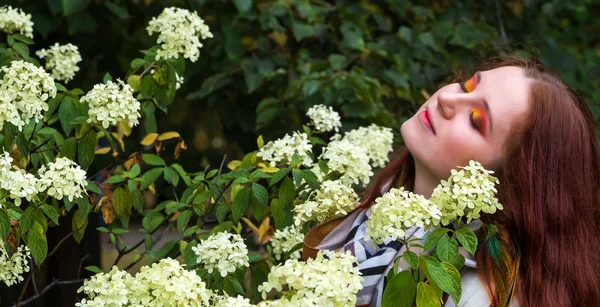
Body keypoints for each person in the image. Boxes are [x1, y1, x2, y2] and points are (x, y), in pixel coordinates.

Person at [303, 55, 600, 307]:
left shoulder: (476, 294)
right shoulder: (376, 207)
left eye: (474, 119)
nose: (446, 98)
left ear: (511, 185)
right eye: (465, 85)